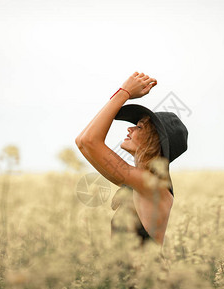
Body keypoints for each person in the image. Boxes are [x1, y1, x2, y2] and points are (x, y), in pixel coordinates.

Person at [75, 72, 188, 248]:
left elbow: (89, 141)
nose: (129, 129)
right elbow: (82, 141)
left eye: (139, 126)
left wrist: (125, 92)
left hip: (146, 276)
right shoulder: (142, 182)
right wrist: (122, 93)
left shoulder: (151, 184)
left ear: (154, 141)